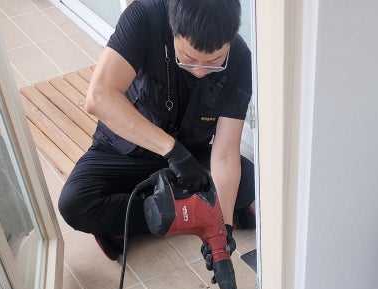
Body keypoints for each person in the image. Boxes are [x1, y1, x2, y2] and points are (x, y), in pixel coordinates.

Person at [58, 0, 255, 262]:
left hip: (189, 157)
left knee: (249, 182)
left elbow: (226, 153)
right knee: (75, 203)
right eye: (188, 59)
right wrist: (172, 151)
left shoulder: (241, 60)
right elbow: (99, 97)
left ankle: (143, 217)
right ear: (174, 29)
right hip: (125, 149)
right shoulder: (144, 16)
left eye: (214, 62)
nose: (199, 71)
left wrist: (223, 229)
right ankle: (186, 212)